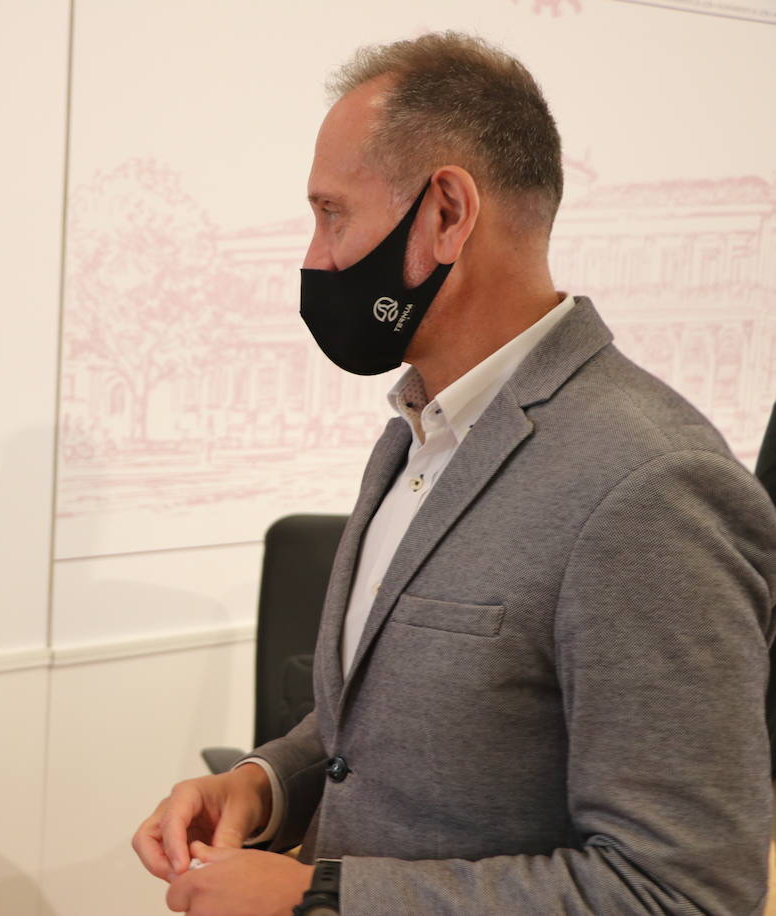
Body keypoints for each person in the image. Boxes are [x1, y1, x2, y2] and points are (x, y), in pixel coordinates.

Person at [133, 32, 775, 916]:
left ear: (445, 213)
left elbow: (684, 891)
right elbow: (400, 717)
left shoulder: (653, 489)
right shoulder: (415, 431)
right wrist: (266, 782)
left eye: (332, 213)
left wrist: (319, 899)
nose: (317, 260)